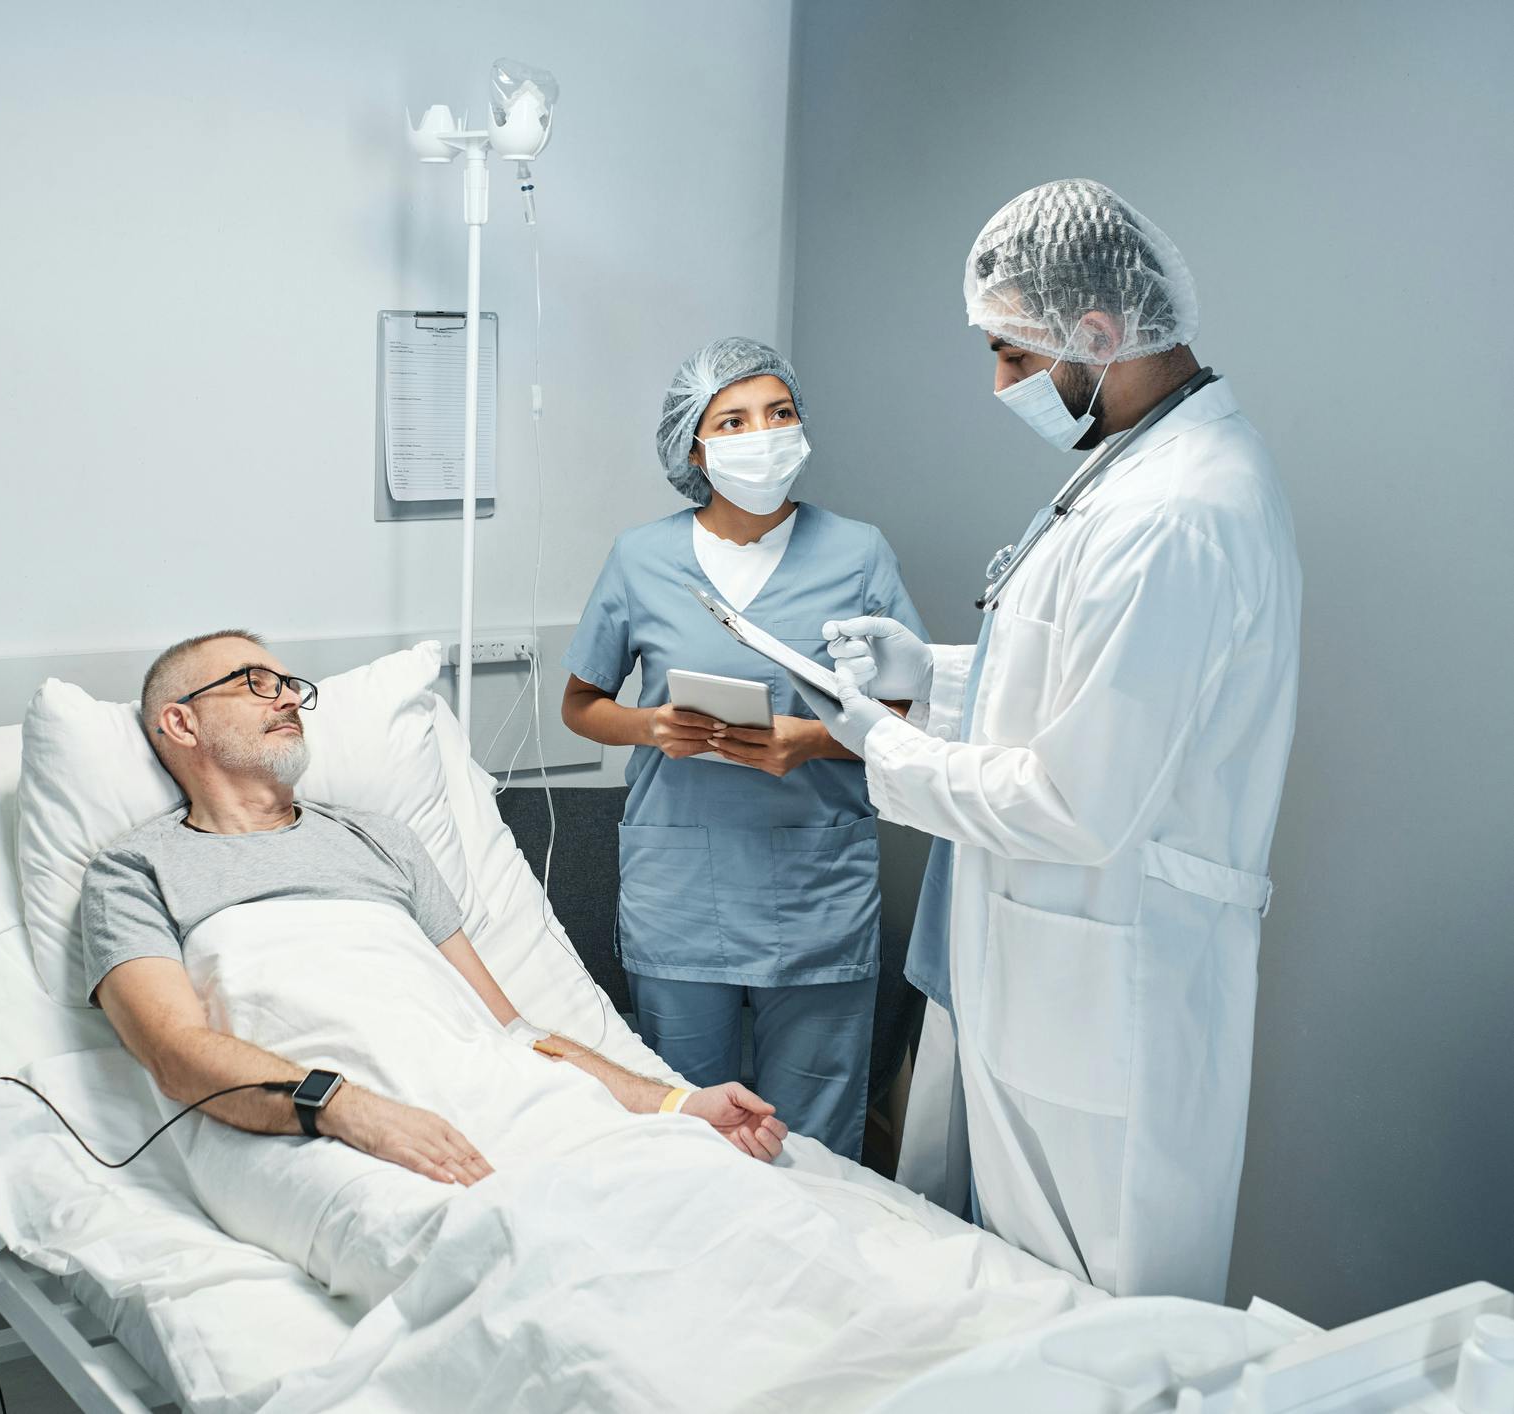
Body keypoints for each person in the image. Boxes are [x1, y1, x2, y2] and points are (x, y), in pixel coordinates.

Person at [808, 179, 1302, 1301]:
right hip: (1047, 957)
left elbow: (1079, 798)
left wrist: (886, 753)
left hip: (1112, 981)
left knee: (1100, 1319)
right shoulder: (1136, 463)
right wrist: (927, 675)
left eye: (1012, 356)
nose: (1001, 385)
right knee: (1005, 1296)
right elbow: (1093, 686)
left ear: (1098, 332)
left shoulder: (1181, 509)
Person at [83, 628, 788, 1192]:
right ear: (180, 722)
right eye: (255, 685)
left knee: (701, 1195)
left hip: (490, 1094)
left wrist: (672, 1104)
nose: (289, 699)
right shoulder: (136, 869)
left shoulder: (379, 839)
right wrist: (348, 1107)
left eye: (291, 686)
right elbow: (175, 1054)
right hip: (327, 1126)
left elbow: (512, 1029)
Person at [558, 337, 924, 1160]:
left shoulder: (857, 551)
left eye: (779, 412)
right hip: (683, 881)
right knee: (690, 1123)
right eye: (733, 419)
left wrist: (813, 740)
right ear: (695, 443)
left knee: (817, 1134)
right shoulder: (640, 558)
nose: (763, 433)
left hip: (814, 885)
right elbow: (581, 706)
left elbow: (907, 714)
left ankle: (821, 1277)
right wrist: (651, 726)